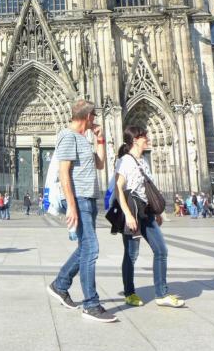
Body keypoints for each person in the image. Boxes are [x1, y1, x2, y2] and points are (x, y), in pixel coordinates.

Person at [46, 100, 114, 322]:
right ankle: (91, 304)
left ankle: (60, 285)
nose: (95, 120)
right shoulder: (67, 136)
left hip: (89, 199)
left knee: (84, 248)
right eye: (94, 116)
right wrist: (71, 206)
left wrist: (100, 139)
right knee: (91, 249)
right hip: (80, 200)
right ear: (87, 116)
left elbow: (100, 164)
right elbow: (64, 173)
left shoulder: (83, 138)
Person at [114, 126, 185, 309]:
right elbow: (118, 188)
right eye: (144, 136)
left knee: (161, 250)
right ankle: (129, 293)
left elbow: (148, 188)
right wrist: (128, 215)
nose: (148, 138)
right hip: (132, 211)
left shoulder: (144, 161)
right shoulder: (124, 161)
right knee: (131, 254)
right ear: (135, 140)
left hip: (147, 212)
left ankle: (161, 294)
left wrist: (158, 212)